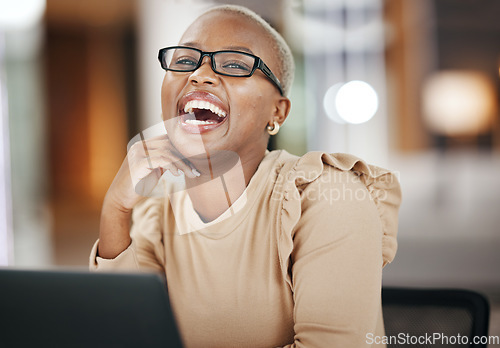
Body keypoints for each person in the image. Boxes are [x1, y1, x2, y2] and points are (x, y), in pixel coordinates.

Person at [89, 4, 402, 348]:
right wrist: (115, 209)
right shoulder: (156, 213)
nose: (199, 75)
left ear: (277, 112)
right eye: (183, 61)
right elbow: (128, 334)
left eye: (235, 65)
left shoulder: (326, 197)